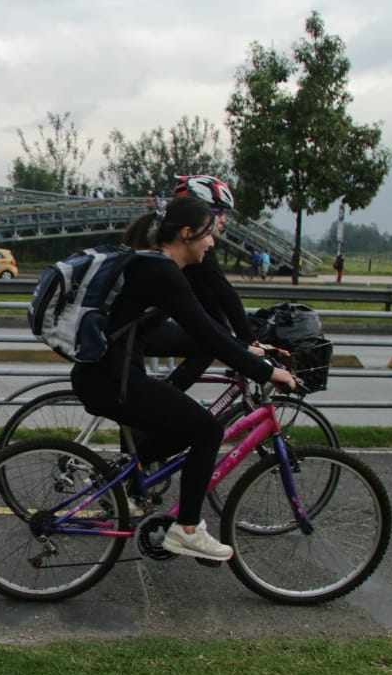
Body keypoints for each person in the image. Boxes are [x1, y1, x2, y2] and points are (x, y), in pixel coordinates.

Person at [73, 195, 297, 561]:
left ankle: (125, 475)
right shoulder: (161, 272)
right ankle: (188, 530)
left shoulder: (155, 267)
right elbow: (206, 334)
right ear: (188, 234)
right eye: (208, 235)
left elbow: (207, 327)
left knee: (180, 429)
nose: (212, 243)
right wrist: (268, 371)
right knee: (206, 430)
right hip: (114, 381)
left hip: (108, 376)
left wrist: (244, 349)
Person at [123, 175, 260, 391]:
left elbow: (209, 306)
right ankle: (165, 402)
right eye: (218, 212)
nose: (224, 219)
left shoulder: (177, 249)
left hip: (135, 328)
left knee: (213, 341)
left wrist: (238, 345)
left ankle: (162, 403)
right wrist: (248, 344)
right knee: (208, 345)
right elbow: (224, 295)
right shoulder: (180, 254)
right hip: (129, 332)